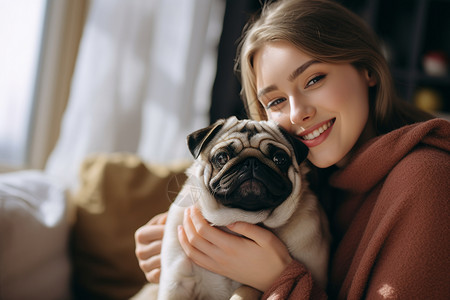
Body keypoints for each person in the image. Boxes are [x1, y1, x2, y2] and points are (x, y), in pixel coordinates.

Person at [135, 0, 450, 298]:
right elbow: (200, 183)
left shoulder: (426, 179)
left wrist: (280, 279)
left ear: (367, 69)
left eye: (314, 80)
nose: (298, 112)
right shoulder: (315, 176)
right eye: (275, 101)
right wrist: (179, 232)